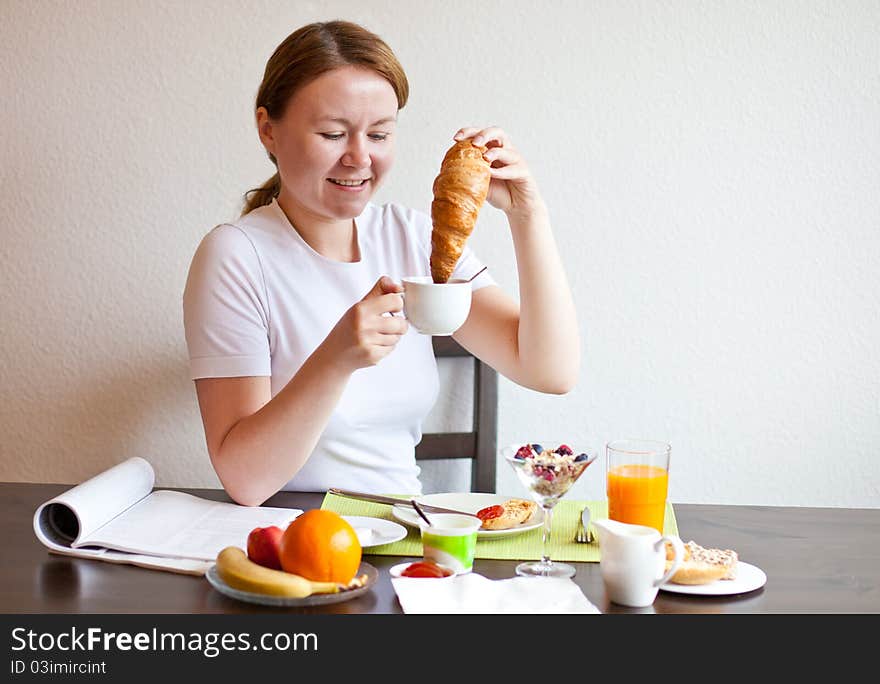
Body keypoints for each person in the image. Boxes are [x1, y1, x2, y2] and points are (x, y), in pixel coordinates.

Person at [183, 20, 579, 506]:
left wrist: (527, 216)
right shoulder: (235, 256)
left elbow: (551, 370)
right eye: (332, 134)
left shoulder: (412, 238)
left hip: (405, 531)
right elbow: (246, 480)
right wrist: (335, 359)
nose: (359, 158)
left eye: (379, 134)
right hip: (290, 541)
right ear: (268, 129)